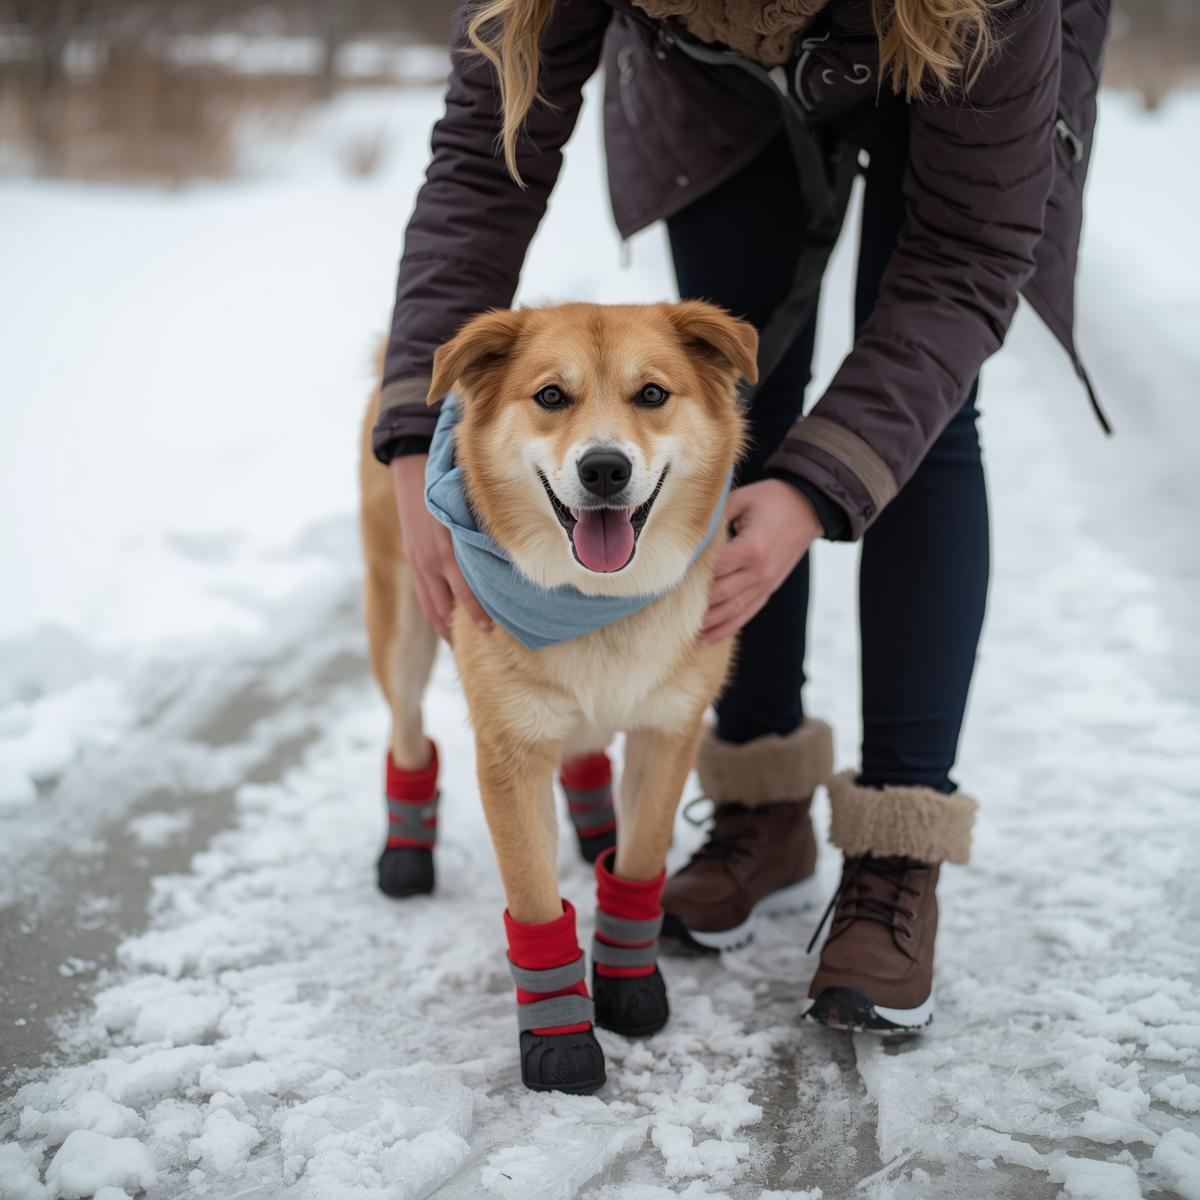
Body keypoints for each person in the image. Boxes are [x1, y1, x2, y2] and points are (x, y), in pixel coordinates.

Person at [373, 0, 1111, 1033]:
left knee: (921, 429)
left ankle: (898, 849)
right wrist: (414, 437)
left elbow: (964, 258)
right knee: (729, 383)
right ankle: (760, 804)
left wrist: (816, 490)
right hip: (714, 87)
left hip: (950, 53)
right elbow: (481, 161)